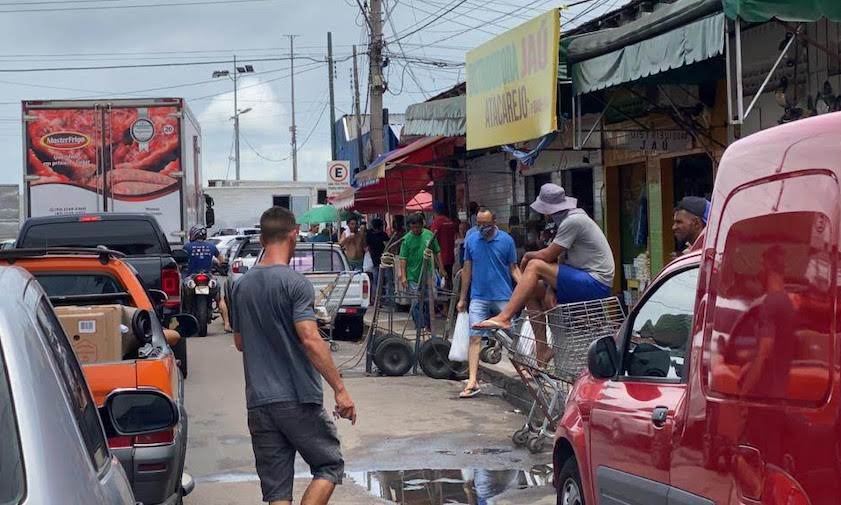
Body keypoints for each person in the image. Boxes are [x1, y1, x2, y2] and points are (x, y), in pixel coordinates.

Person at [231, 206, 356, 505]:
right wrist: (340, 390)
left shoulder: (240, 286)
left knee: (277, 491)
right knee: (329, 465)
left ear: (261, 239)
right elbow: (311, 339)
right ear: (294, 234)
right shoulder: (295, 283)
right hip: (297, 398)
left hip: (259, 403)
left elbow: (240, 342)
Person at [475, 184, 615, 364]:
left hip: (596, 281)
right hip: (581, 278)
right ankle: (542, 348)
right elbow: (562, 258)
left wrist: (526, 257)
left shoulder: (574, 221)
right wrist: (550, 289)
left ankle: (505, 317)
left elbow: (547, 255)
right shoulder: (567, 220)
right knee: (531, 290)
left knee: (534, 265)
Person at [456, 209, 520, 398]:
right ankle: (473, 380)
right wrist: (462, 298)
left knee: (513, 335)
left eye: (486, 224)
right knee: (475, 337)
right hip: (479, 297)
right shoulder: (471, 240)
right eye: (479, 224)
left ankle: (525, 369)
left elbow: (514, 269)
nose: (482, 228)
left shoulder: (507, 241)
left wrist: (526, 288)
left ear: (495, 221)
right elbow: (467, 269)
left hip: (503, 297)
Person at [399, 213, 447, 331]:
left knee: (428, 301)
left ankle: (428, 325)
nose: (415, 230)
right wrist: (403, 276)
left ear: (422, 224)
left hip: (428, 273)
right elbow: (403, 259)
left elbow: (437, 252)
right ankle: (420, 326)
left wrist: (441, 268)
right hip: (413, 276)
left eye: (417, 227)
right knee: (416, 302)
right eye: (413, 227)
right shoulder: (406, 239)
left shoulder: (429, 235)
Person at [184, 225, 230, 331]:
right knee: (219, 299)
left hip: (191, 277)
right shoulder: (212, 246)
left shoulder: (187, 247)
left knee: (183, 295)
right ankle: (227, 324)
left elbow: (180, 261)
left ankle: (184, 318)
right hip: (208, 277)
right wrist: (219, 264)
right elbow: (221, 261)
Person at [430, 202, 457, 288]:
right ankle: (449, 298)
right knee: (449, 277)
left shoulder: (436, 222)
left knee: (441, 278)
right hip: (450, 255)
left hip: (440, 256)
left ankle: (445, 297)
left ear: (435, 211)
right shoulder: (450, 221)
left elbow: (432, 238)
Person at [365, 218, 390, 292]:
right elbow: (388, 246)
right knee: (385, 279)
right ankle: (383, 295)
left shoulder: (369, 234)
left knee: (376, 279)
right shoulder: (383, 235)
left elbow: (367, 246)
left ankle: (377, 296)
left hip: (376, 260)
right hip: (383, 260)